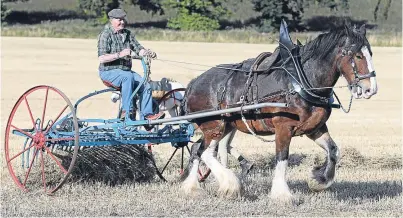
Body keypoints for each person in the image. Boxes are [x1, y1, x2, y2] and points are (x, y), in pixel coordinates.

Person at [97, 8, 164, 121]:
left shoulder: (127, 34)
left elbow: (138, 48)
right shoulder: (105, 35)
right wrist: (120, 54)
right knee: (127, 77)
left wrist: (146, 52)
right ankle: (126, 111)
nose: (122, 22)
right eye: (119, 20)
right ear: (112, 20)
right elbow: (102, 58)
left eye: (123, 19)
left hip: (125, 71)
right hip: (108, 72)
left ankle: (147, 116)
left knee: (145, 85)